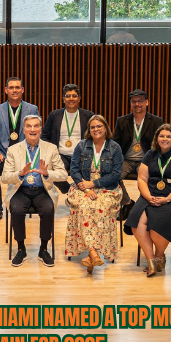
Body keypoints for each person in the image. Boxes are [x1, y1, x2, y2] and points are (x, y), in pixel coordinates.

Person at [123, 124, 171, 277]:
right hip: (153, 193)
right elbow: (142, 178)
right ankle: (151, 260)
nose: (165, 139)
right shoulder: (150, 154)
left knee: (157, 226)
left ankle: (159, 256)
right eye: (161, 136)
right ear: (157, 138)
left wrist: (167, 199)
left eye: (168, 136)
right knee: (136, 220)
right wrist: (148, 196)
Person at [1, 115, 68, 267]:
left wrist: (46, 173)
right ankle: (21, 248)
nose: (32, 129)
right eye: (29, 126)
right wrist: (20, 174)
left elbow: (63, 174)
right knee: (16, 210)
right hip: (20, 190)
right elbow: (4, 177)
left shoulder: (51, 149)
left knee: (48, 208)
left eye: (36, 126)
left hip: (42, 189)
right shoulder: (13, 150)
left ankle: (43, 249)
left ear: (40, 129)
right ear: (23, 130)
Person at [65, 115, 123, 274]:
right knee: (84, 206)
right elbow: (74, 170)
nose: (96, 129)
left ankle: (91, 256)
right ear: (88, 131)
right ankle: (93, 253)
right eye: (92, 127)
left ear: (105, 128)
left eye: (99, 126)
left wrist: (94, 184)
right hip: (83, 187)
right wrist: (86, 188)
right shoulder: (81, 146)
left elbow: (116, 174)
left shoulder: (115, 148)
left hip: (108, 188)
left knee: (101, 207)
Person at [0, 77, 40, 225]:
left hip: (25, 154)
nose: (14, 90)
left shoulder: (32, 109)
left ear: (22, 90)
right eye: (11, 88)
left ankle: (28, 203)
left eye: (17, 87)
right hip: (3, 154)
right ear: (6, 90)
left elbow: (36, 132)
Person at [113, 89, 165, 206]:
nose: (137, 104)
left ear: (147, 102)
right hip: (126, 160)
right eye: (134, 101)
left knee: (151, 180)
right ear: (131, 104)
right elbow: (115, 144)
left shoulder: (157, 121)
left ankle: (146, 206)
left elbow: (161, 143)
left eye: (140, 101)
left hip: (146, 161)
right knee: (113, 176)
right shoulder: (121, 121)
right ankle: (127, 203)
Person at [41, 83, 95, 195]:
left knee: (87, 176)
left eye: (74, 96)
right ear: (63, 99)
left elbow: (95, 136)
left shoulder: (88, 115)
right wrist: (50, 151)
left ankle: (82, 197)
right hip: (61, 155)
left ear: (79, 98)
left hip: (82, 155)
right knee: (50, 172)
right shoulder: (54, 115)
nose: (71, 99)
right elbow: (44, 136)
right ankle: (69, 190)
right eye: (68, 96)